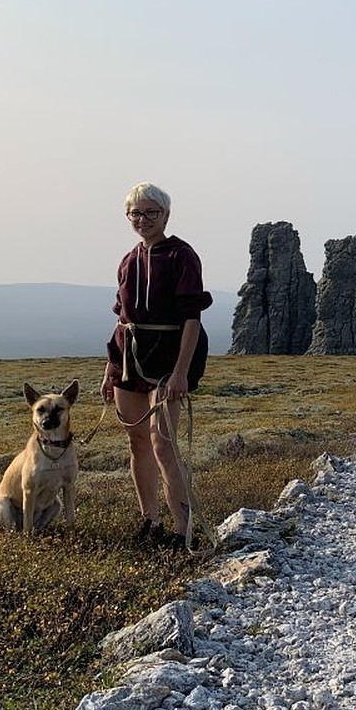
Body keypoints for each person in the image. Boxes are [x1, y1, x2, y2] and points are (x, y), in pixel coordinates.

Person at [101, 182, 212, 547]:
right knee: (137, 442)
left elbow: (192, 319)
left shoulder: (182, 255)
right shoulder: (127, 260)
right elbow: (122, 317)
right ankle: (149, 522)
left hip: (168, 360)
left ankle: (184, 529)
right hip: (128, 359)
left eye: (151, 212)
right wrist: (109, 370)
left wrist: (181, 372)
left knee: (164, 444)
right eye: (136, 213)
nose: (143, 219)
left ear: (166, 214)